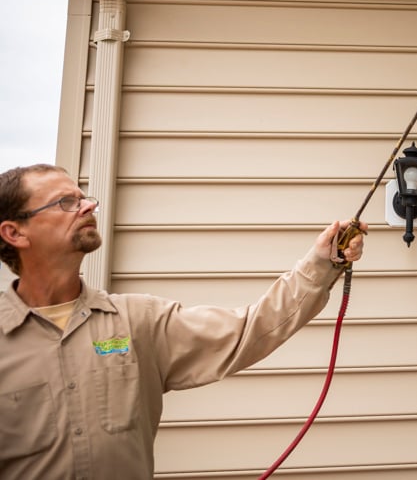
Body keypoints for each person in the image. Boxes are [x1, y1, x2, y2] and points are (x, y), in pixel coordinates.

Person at [0, 163, 366, 478]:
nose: (87, 207)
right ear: (15, 232)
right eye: (67, 202)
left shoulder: (137, 322)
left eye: (85, 198)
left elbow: (249, 328)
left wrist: (322, 262)